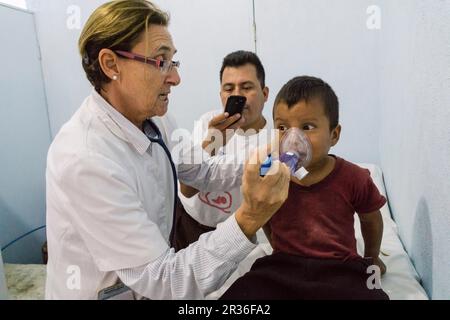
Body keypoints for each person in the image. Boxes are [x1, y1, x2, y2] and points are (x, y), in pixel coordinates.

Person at [45, 0, 290, 300]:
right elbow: (165, 281)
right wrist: (249, 218)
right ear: (111, 65)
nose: (175, 78)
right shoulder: (84, 159)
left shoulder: (155, 118)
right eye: (161, 62)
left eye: (174, 62)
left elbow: (202, 171)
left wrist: (268, 156)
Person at [221, 76, 389, 300]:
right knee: (245, 291)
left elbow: (372, 219)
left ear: (334, 134)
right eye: (282, 127)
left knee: (372, 295)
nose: (293, 138)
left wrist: (371, 258)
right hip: (283, 267)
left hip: (339, 268)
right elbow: (265, 216)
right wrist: (278, 248)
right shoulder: (273, 175)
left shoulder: (354, 178)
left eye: (307, 127)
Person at [172, 50, 272, 251]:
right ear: (221, 95)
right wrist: (213, 141)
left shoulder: (272, 144)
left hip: (229, 236)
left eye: (246, 87)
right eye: (229, 88)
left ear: (265, 93)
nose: (237, 95)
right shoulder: (208, 123)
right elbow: (187, 189)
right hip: (186, 221)